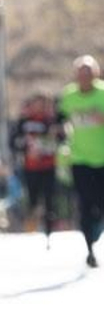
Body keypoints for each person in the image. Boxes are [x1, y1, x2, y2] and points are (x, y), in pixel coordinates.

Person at [56, 55, 104, 268]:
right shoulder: (68, 96)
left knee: (100, 204)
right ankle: (89, 248)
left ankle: (97, 229)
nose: (85, 78)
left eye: (89, 74)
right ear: (75, 77)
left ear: (96, 75)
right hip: (80, 158)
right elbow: (59, 120)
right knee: (84, 204)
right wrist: (61, 135)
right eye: (81, 75)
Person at [9, 93, 63, 241]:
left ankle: (48, 228)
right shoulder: (23, 121)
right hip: (30, 166)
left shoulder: (51, 121)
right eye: (36, 104)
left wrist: (54, 137)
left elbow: (62, 139)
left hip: (49, 166)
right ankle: (32, 219)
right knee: (33, 197)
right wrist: (26, 146)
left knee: (49, 197)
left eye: (42, 104)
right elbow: (13, 142)